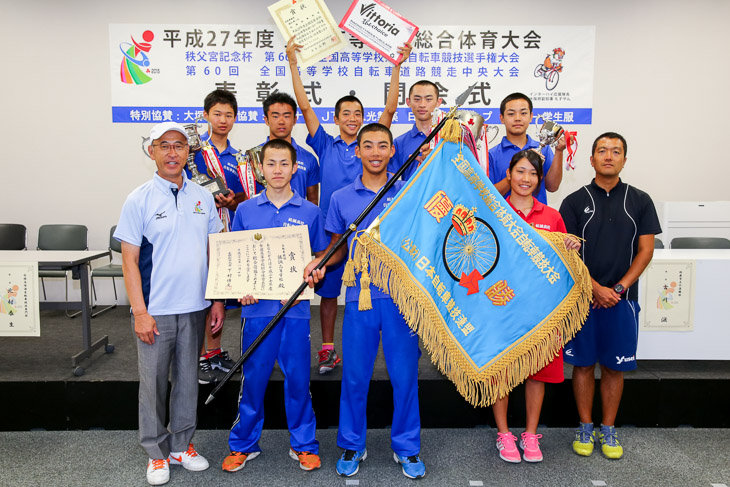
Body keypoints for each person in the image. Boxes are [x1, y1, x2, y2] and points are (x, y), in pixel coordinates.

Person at [304, 123, 425, 479]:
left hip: (402, 297)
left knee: (405, 377)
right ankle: (353, 443)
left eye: (382, 146)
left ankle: (407, 447)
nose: (375, 152)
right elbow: (338, 247)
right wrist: (320, 261)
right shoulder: (341, 197)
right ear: (357, 152)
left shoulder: (408, 193)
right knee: (356, 376)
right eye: (367, 145)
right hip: (361, 296)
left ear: (392, 152)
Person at [287, 37, 408, 374]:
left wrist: (396, 67)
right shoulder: (324, 143)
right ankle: (327, 348)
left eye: (358, 114)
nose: (352, 118)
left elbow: (391, 109)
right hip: (333, 233)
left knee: (373, 298)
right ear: (337, 118)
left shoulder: (373, 145)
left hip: (369, 238)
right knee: (328, 294)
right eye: (346, 114)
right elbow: (306, 107)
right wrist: (294, 65)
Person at [115, 121, 225, 486]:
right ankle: (156, 452)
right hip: (155, 311)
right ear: (153, 152)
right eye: (165, 146)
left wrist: (216, 301)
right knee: (153, 384)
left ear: (188, 152)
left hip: (194, 306)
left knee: (187, 382)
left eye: (179, 146)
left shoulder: (203, 196)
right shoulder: (138, 199)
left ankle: (181, 445)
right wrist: (140, 312)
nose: (173, 152)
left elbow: (214, 252)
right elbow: (129, 260)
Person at [222, 139, 328, 474]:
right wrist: (240, 288)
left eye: (284, 163)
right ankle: (243, 445)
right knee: (252, 380)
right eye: (271, 164)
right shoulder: (246, 211)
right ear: (260, 168)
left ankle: (303, 445)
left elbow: (319, 259)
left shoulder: (310, 212)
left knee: (298, 380)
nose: (278, 170)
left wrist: (316, 272)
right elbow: (236, 259)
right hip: (256, 311)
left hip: (294, 311)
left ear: (295, 168)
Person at [559, 132, 661, 459]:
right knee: (584, 366)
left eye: (615, 151)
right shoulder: (573, 201)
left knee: (615, 368)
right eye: (602, 150)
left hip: (622, 301)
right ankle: (585, 427)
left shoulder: (640, 201)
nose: (608, 156)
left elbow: (645, 251)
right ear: (591, 159)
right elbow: (567, 255)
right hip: (583, 301)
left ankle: (609, 430)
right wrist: (595, 288)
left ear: (624, 160)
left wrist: (616, 289)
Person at [492, 150, 581, 464]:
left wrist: (571, 246)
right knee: (500, 372)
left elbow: (561, 265)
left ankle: (530, 434)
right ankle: (504, 434)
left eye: (532, 173)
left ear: (539, 179)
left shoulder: (551, 216)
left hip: (541, 309)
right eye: (520, 172)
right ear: (509, 173)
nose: (525, 179)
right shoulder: (494, 212)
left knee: (537, 374)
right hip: (502, 306)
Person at [183, 89, 242, 385]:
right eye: (217, 114)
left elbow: (248, 196)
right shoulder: (192, 154)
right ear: (205, 116)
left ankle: (214, 352)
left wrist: (233, 201)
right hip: (199, 233)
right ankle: (204, 356)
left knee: (222, 294)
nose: (223, 120)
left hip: (230, 231)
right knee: (205, 295)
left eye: (228, 115)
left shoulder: (240, 158)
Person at [488, 92, 567, 204]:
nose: (518, 118)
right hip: (504, 219)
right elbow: (488, 196)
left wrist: (559, 151)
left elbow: (552, 187)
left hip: (537, 218)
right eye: (511, 114)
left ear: (531, 117)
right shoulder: (491, 155)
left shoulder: (543, 149)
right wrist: (512, 174)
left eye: (523, 113)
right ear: (502, 118)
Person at [262, 92, 320, 205]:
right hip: (262, 221)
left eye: (287, 116)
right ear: (266, 120)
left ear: (295, 120)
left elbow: (313, 201)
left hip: (297, 221)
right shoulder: (254, 157)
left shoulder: (309, 159)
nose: (281, 121)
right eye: (275, 116)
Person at [381, 79, 442, 181]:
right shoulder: (399, 143)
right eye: (417, 99)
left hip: (444, 196)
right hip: (411, 197)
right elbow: (389, 182)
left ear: (438, 102)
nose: (422, 104)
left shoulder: (450, 139)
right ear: (408, 102)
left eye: (428, 99)